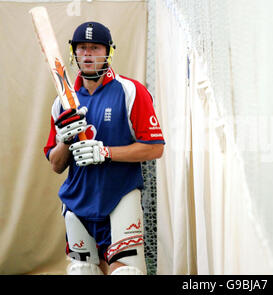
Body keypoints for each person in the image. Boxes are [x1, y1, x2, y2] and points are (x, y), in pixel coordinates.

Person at [43, 21, 165, 275]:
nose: (88, 54)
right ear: (74, 53)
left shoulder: (131, 91)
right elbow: (56, 165)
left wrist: (105, 153)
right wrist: (65, 141)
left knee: (126, 272)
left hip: (119, 196)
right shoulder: (62, 103)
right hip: (78, 201)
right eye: (82, 48)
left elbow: (154, 148)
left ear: (108, 52)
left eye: (95, 48)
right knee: (82, 270)